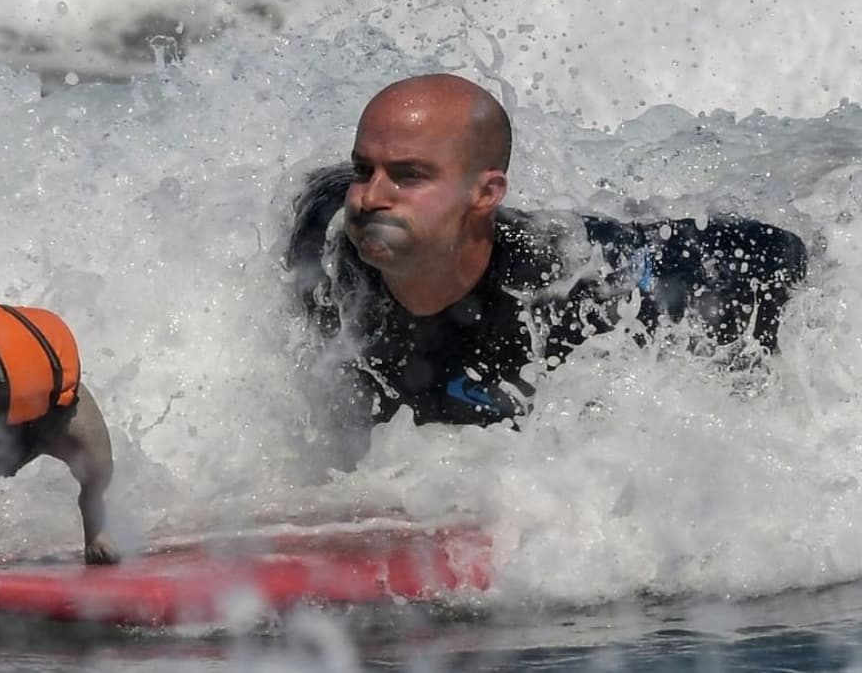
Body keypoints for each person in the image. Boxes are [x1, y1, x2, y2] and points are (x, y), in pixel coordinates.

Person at [285, 74, 807, 465]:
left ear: (485, 193)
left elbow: (773, 257)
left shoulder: (571, 292)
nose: (370, 197)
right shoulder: (327, 239)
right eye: (363, 170)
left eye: (408, 176)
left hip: (711, 256)